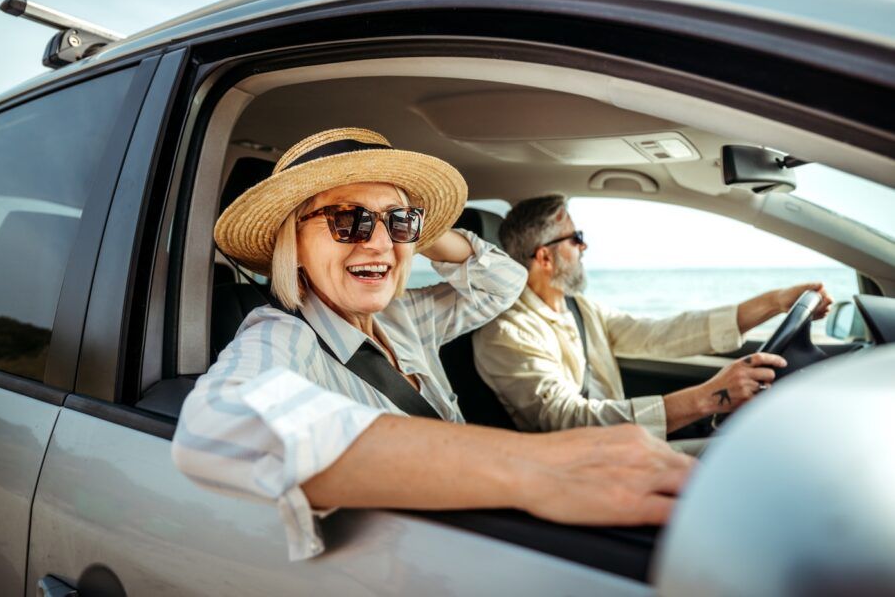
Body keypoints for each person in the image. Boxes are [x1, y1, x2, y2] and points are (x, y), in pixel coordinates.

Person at [172, 129, 695, 561]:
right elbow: (215, 425)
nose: (376, 241)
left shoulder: (403, 316)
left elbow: (502, 282)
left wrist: (414, 233)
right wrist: (536, 466)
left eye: (397, 221)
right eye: (346, 218)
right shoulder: (279, 332)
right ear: (294, 242)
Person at [473, 195, 833, 438]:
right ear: (545, 258)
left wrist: (774, 302)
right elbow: (569, 420)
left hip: (622, 443)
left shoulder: (580, 309)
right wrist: (708, 397)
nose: (584, 247)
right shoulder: (506, 332)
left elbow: (659, 333)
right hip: (585, 463)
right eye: (575, 238)